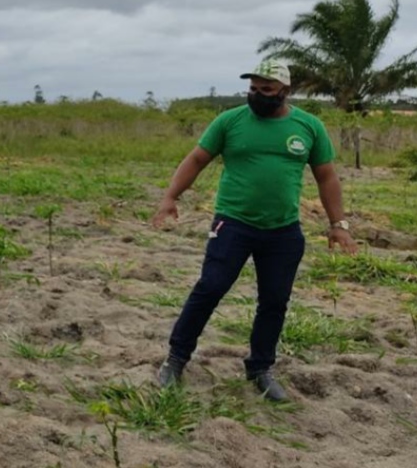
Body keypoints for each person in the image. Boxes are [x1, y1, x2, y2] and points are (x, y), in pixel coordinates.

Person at [151, 59, 358, 401]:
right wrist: (170, 197)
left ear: (284, 92)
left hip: (283, 231)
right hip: (233, 223)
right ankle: (175, 359)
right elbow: (197, 159)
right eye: (253, 88)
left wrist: (338, 224)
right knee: (211, 287)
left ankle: (260, 368)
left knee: (274, 301)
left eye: (266, 89)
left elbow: (326, 176)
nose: (258, 95)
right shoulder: (230, 121)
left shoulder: (309, 127)